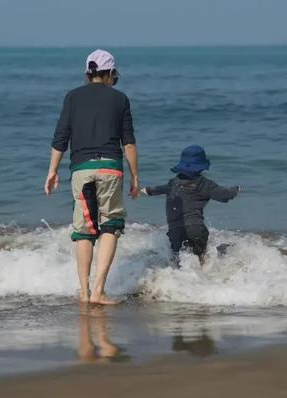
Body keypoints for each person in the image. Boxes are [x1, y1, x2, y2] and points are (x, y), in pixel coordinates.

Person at [44, 49, 139, 305]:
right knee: (111, 225)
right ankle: (99, 291)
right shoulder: (121, 99)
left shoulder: (72, 97)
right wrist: (135, 175)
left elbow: (60, 137)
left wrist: (52, 171)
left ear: (89, 73)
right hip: (110, 168)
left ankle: (84, 293)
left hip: (81, 169)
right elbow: (128, 142)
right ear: (109, 73)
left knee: (84, 231)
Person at [141, 145, 239, 265]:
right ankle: (204, 280)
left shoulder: (173, 184)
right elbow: (224, 195)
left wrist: (143, 190)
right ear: (201, 166)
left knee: (177, 263)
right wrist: (235, 190)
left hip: (175, 231)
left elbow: (155, 190)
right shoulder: (205, 184)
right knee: (201, 261)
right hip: (196, 229)